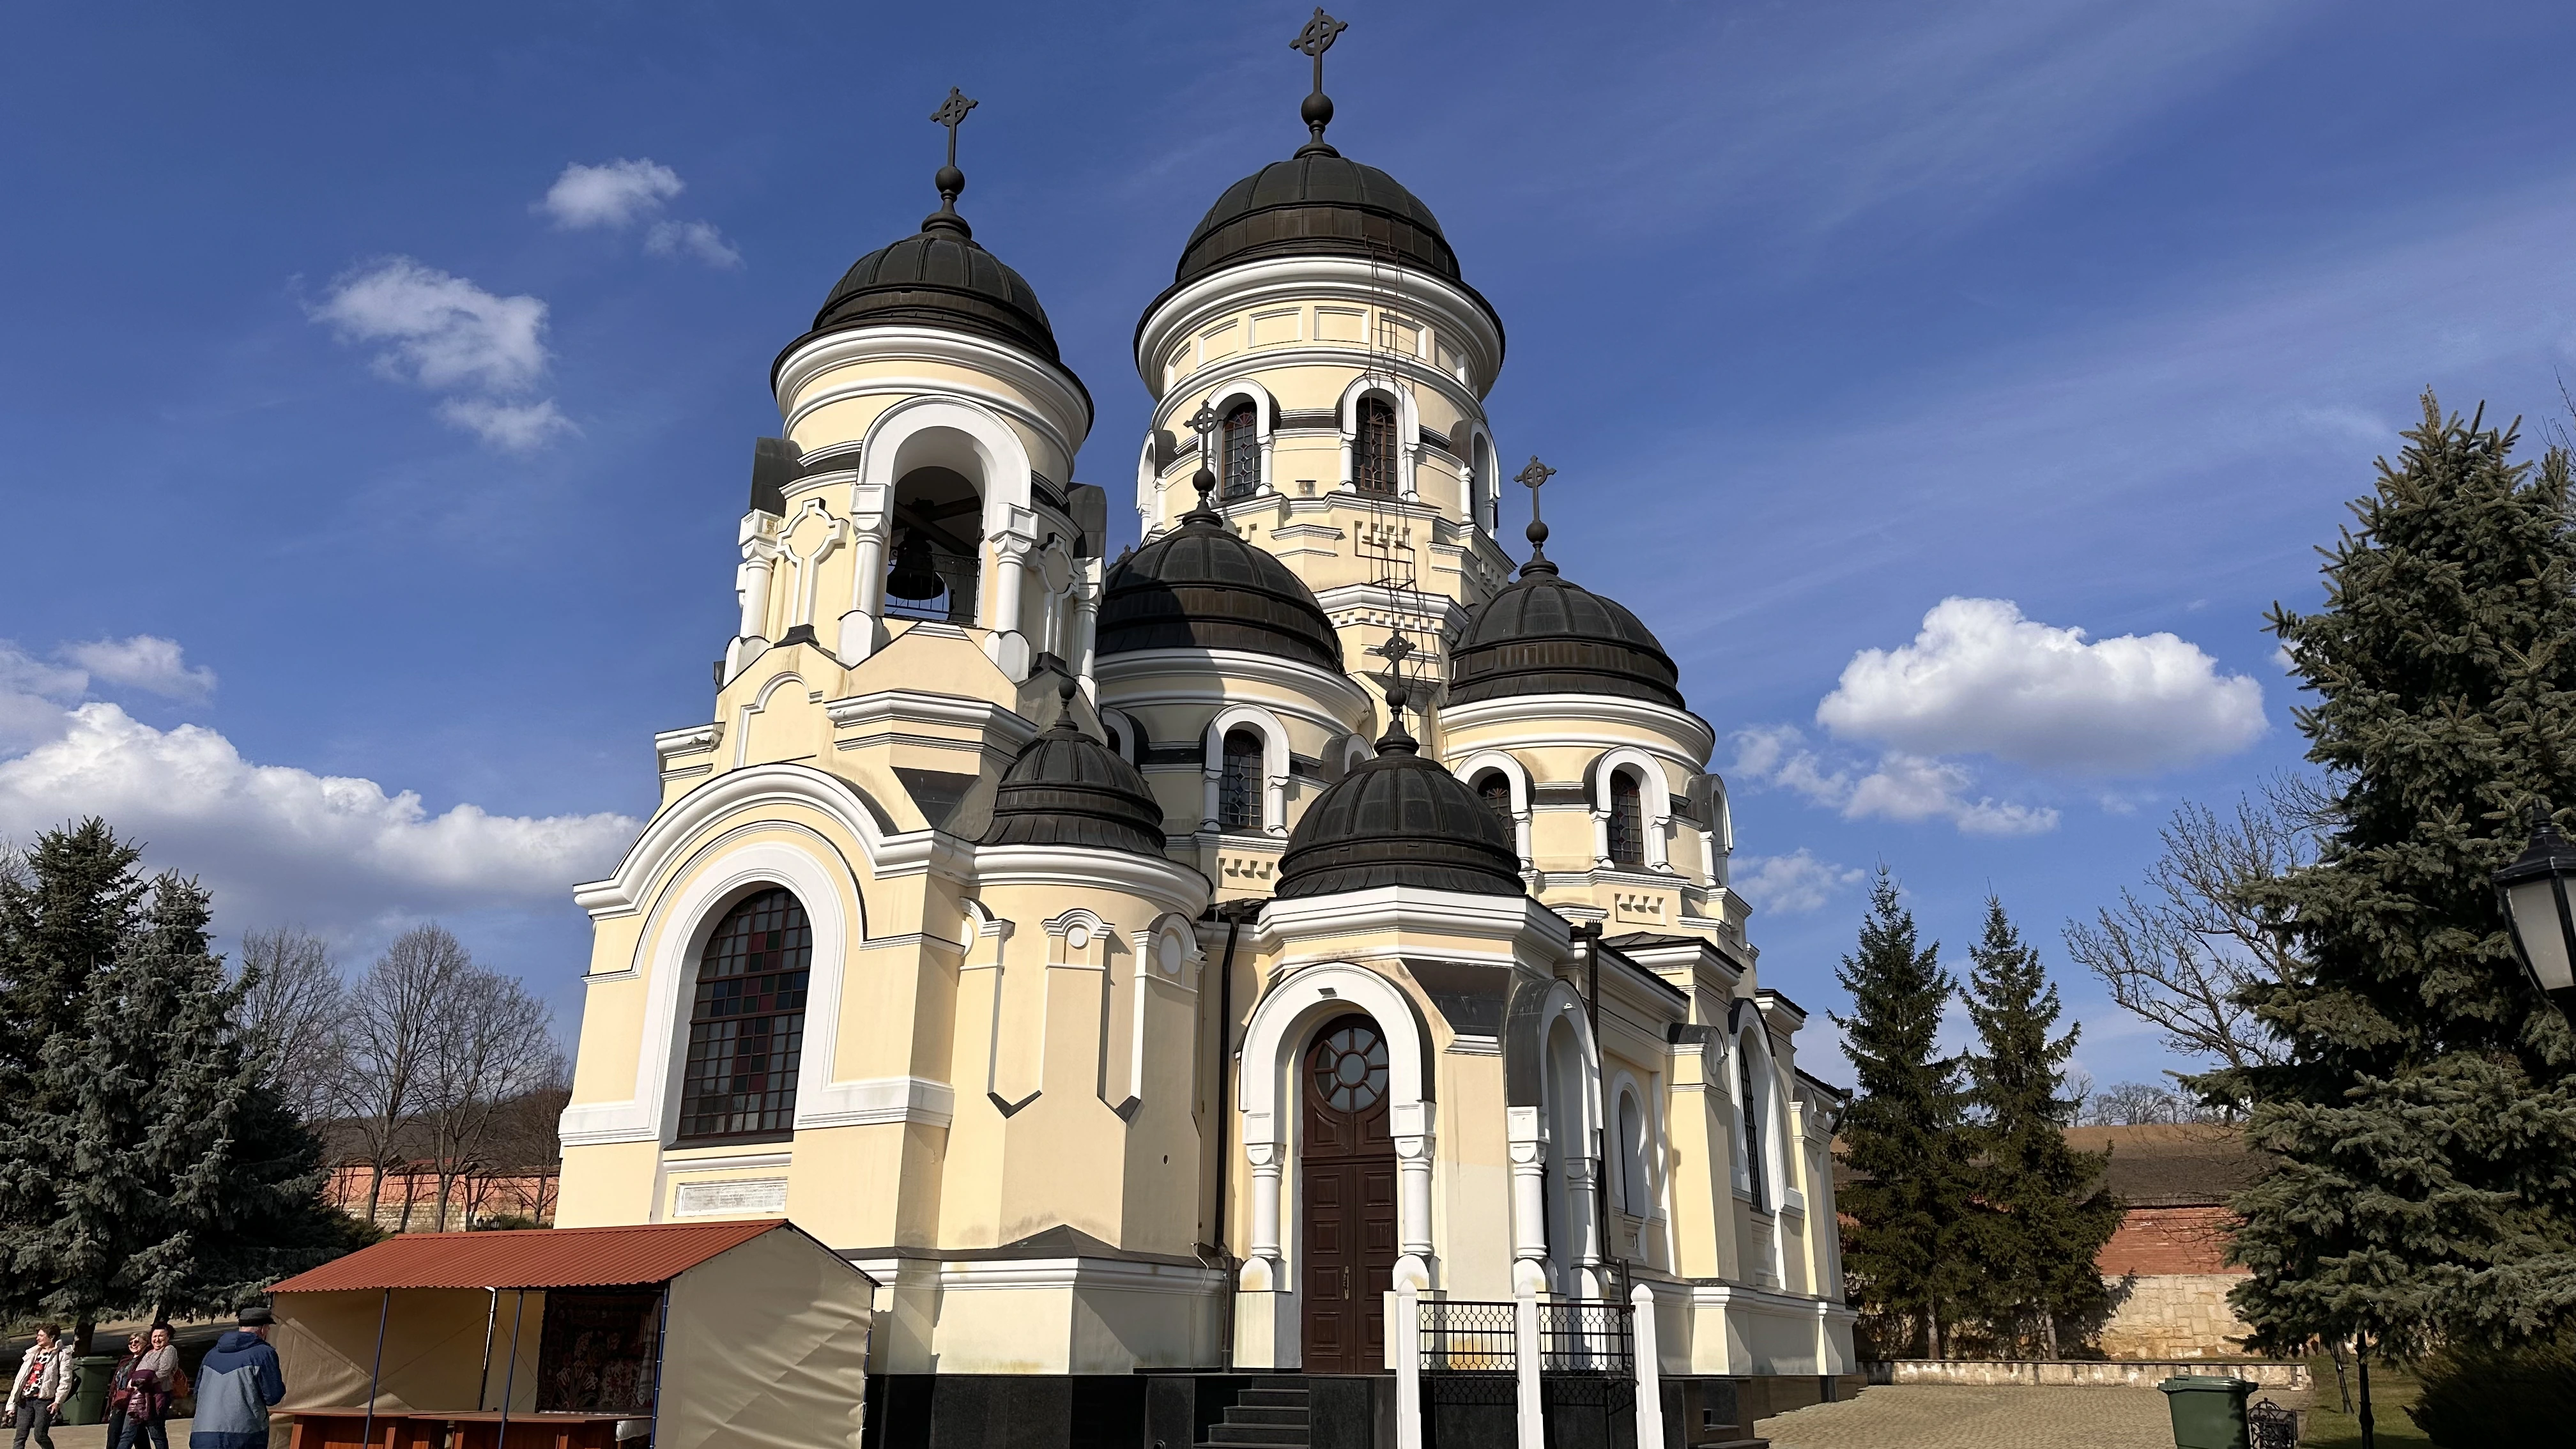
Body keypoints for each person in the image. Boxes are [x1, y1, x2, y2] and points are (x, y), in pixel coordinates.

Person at [187, 1308, 282, 1449]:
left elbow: (197, 1394)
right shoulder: (264, 1353)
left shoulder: (211, 1355)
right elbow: (273, 1396)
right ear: (263, 1329)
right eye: (268, 1328)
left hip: (202, 1435)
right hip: (245, 1436)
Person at [5, 1324, 70, 1449]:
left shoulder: (62, 1354)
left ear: (51, 1337)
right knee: (20, 1436)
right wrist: (11, 1404)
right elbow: (20, 1380)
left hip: (44, 1401)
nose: (38, 1338)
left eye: (41, 1336)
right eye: (38, 1335)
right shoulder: (32, 1353)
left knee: (40, 1435)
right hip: (26, 1400)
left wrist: (58, 1401)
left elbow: (66, 1380)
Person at [115, 1326, 180, 1449]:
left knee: (156, 1433)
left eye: (161, 1336)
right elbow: (138, 1372)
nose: (157, 1339)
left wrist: (144, 1381)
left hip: (157, 1396)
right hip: (138, 1397)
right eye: (154, 1336)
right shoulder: (149, 1352)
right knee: (128, 1433)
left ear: (168, 1337)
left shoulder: (169, 1350)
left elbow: (164, 1371)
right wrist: (133, 1383)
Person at [103, 1333, 148, 1449]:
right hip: (120, 1401)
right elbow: (115, 1383)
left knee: (131, 1436)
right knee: (114, 1435)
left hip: (136, 1402)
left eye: (137, 1342)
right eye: (131, 1342)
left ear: (146, 1343)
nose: (133, 1344)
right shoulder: (126, 1361)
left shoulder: (146, 1359)